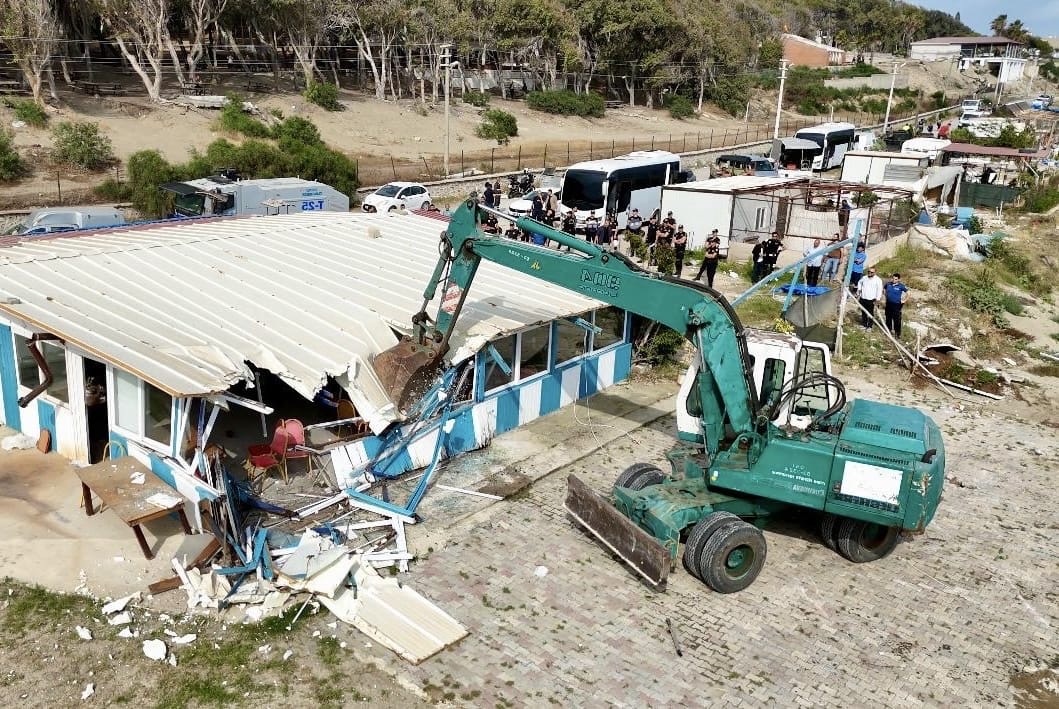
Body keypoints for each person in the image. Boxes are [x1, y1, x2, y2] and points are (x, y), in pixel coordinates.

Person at [884, 272, 910, 337]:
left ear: (898, 279)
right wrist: (886, 295)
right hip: (888, 304)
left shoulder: (901, 286)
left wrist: (904, 300)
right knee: (888, 318)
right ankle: (888, 330)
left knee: (897, 319)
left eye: (895, 279)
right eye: (893, 278)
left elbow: (908, 293)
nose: (893, 280)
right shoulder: (888, 284)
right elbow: (884, 289)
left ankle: (897, 333)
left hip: (896, 305)